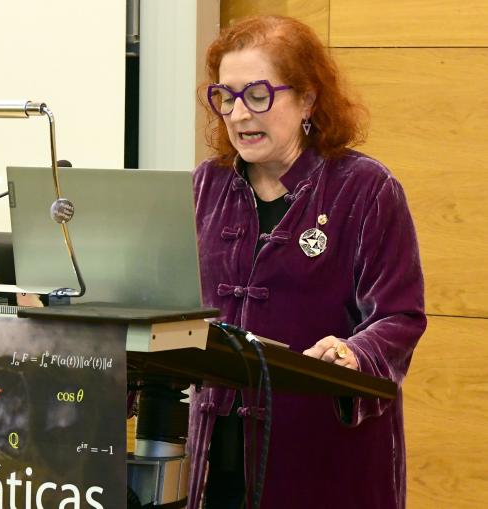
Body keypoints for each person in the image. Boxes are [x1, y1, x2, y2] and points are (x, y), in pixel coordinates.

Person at [189, 16, 426, 509]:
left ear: (308, 100)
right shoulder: (206, 186)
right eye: (226, 97)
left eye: (258, 95)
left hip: (323, 451)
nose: (238, 114)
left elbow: (399, 316)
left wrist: (353, 352)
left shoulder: (366, 189)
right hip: (218, 451)